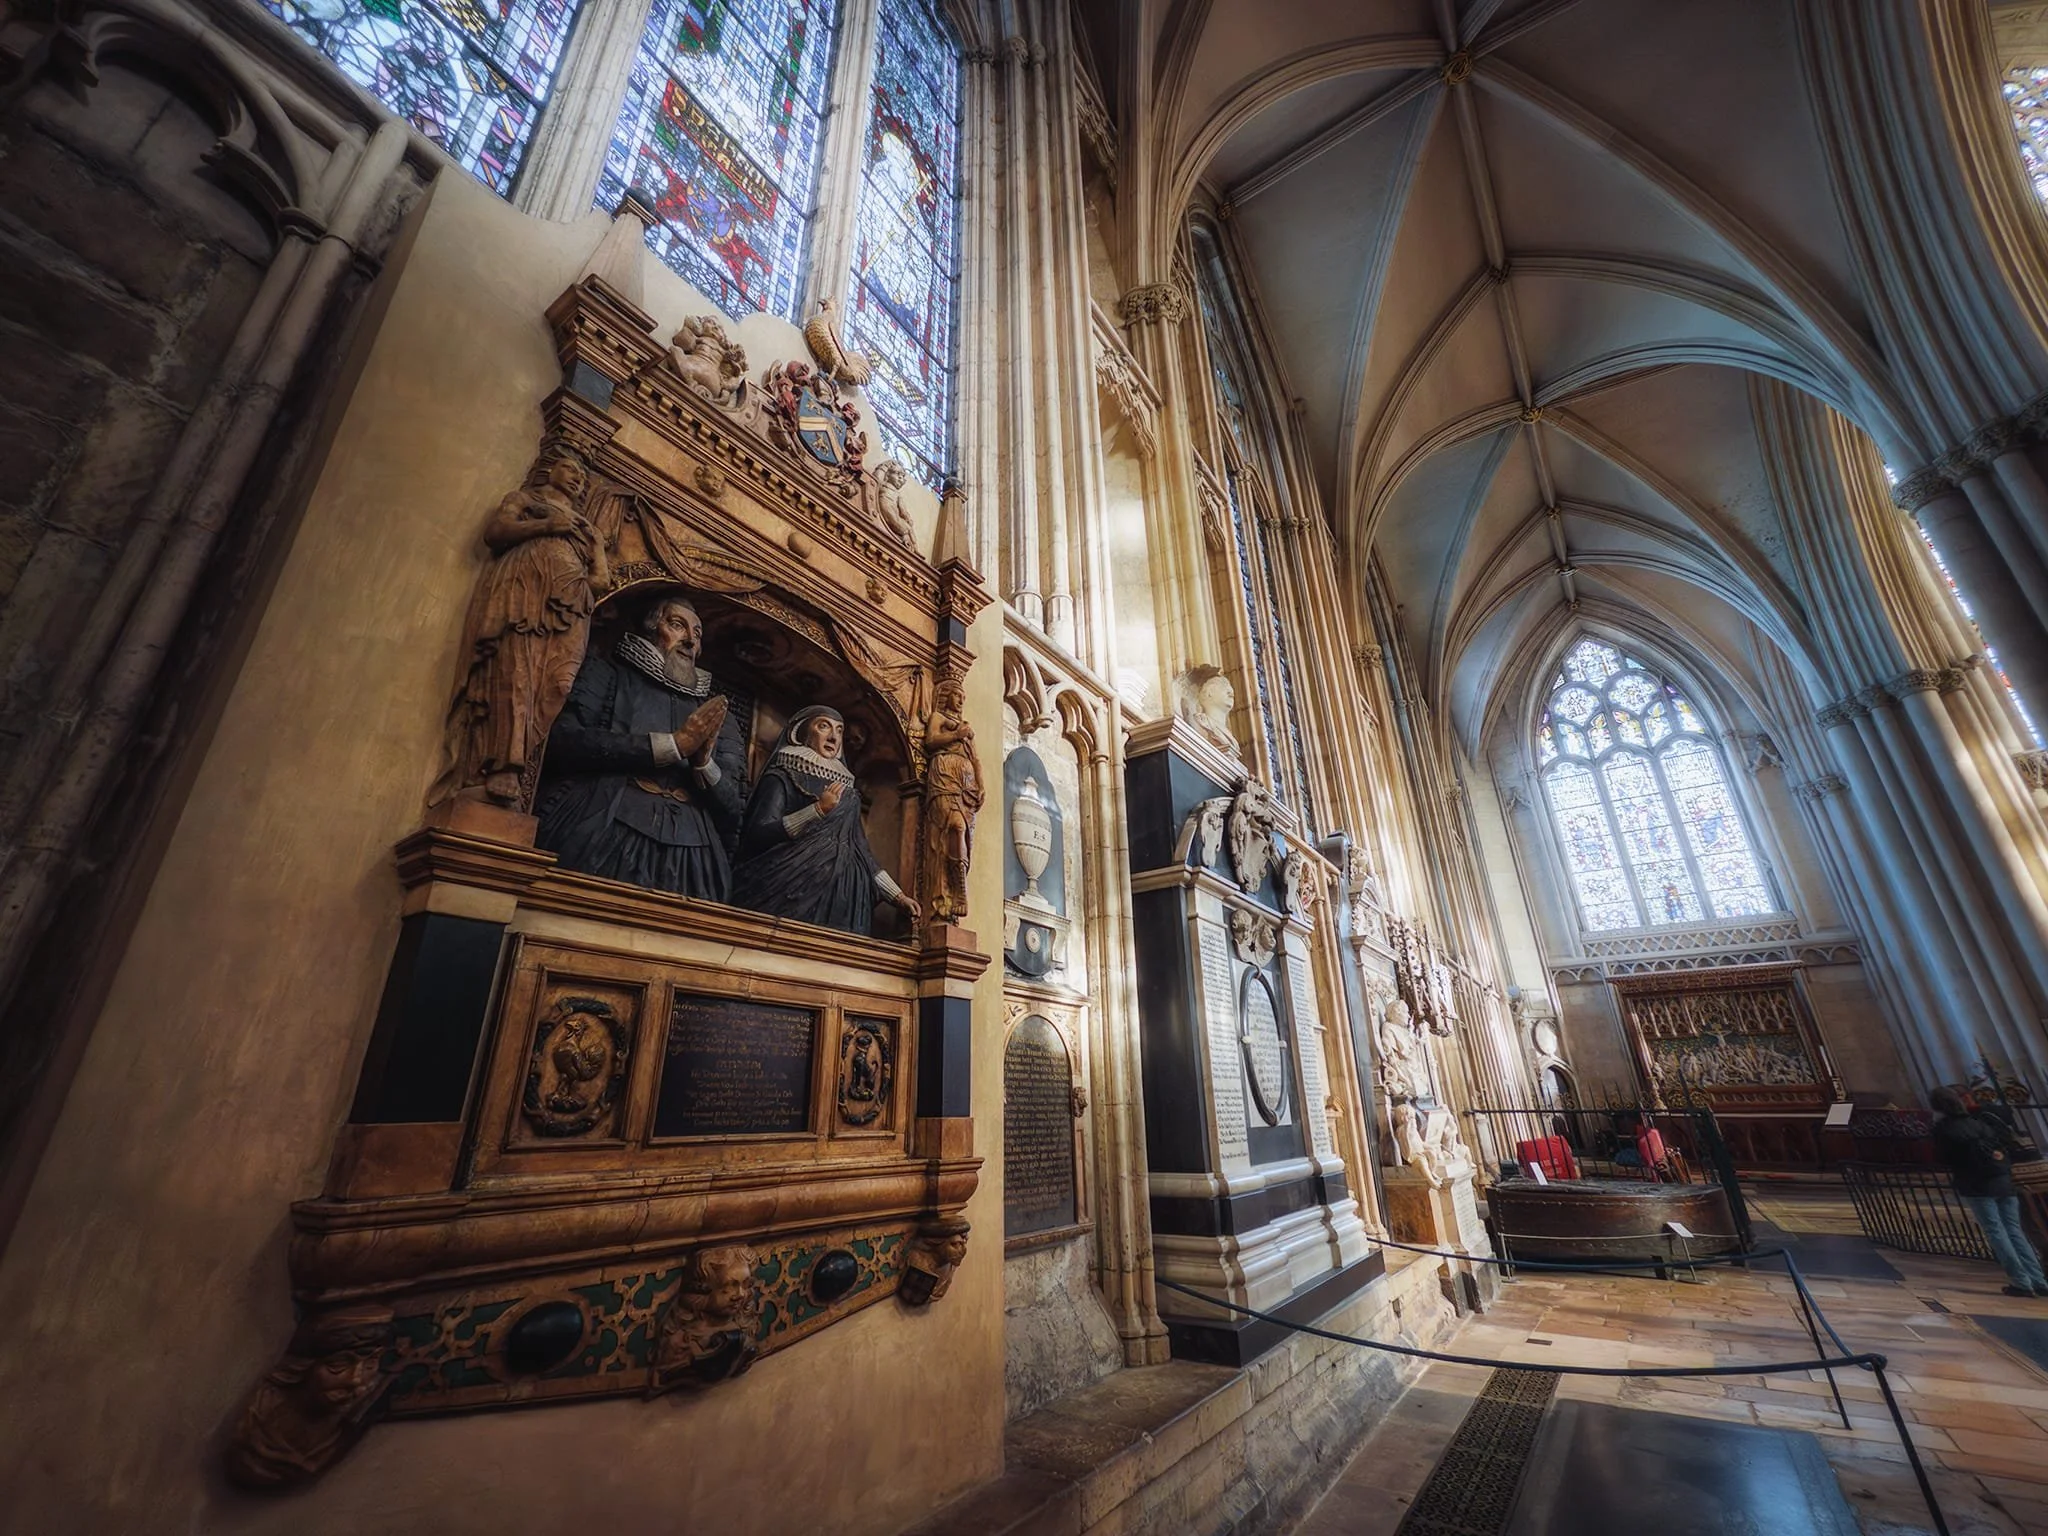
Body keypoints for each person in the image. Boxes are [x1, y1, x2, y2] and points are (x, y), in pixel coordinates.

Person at [536, 596, 747, 900]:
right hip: (604, 829)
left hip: (693, 855)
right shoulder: (606, 676)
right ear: (651, 629)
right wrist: (672, 745)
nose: (690, 641)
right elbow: (562, 741)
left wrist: (703, 764)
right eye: (677, 625)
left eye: (697, 635)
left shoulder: (717, 716)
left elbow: (733, 807)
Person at [731, 706, 920, 937]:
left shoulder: (848, 792)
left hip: (845, 899)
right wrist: (817, 810)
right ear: (801, 732)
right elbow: (758, 833)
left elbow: (861, 852)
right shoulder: (782, 775)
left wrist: (897, 896)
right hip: (791, 887)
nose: (833, 737)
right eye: (823, 727)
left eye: (839, 731)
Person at [1932, 1085, 2048, 1297]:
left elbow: (1945, 1158)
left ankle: (2021, 1281)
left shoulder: (1944, 1129)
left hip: (1977, 1183)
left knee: (1996, 1231)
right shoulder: (1980, 1124)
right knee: (2015, 1230)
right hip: (2002, 1180)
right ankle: (2039, 1280)